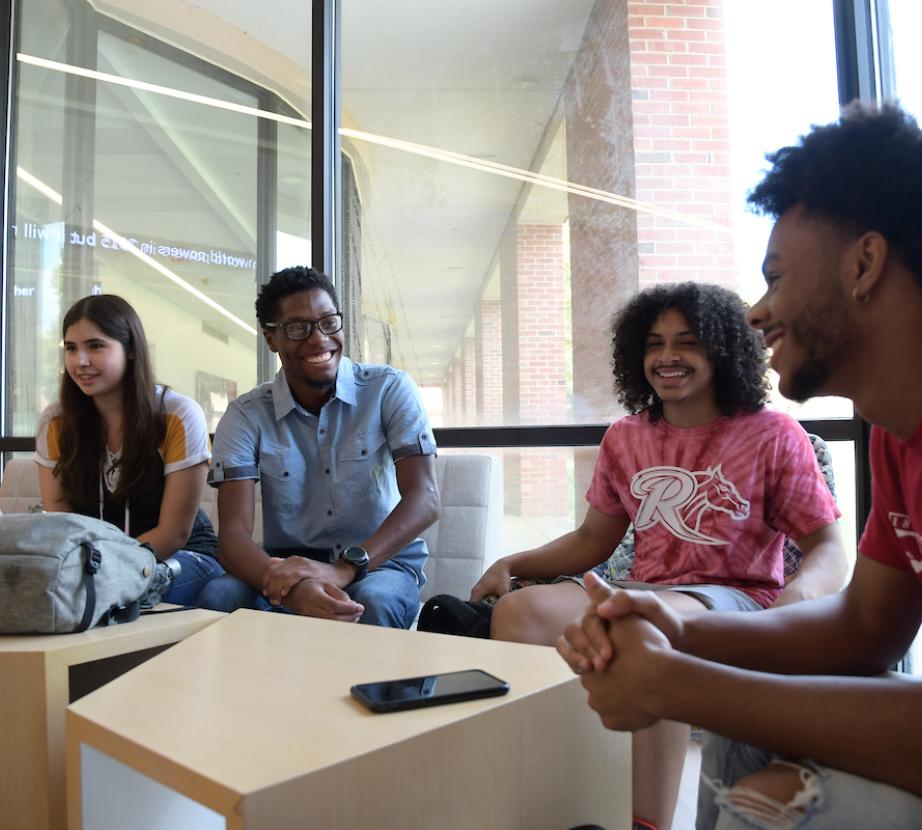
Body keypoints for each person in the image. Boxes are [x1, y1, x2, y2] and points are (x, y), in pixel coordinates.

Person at [558, 102, 922, 830]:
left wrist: (677, 683)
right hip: (705, 606)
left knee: (781, 798)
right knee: (746, 731)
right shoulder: (895, 435)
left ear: (864, 264)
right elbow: (862, 632)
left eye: (777, 277)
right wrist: (677, 628)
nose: (758, 313)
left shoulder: (776, 435)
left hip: (741, 591)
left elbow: (825, 563)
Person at [470, 282, 845, 830]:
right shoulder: (625, 437)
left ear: (722, 350)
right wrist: (513, 564)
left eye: (687, 342)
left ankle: (648, 821)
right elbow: (591, 542)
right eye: (654, 344)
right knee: (518, 614)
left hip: (735, 599)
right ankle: (569, 797)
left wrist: (797, 599)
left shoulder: (773, 434)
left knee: (645, 630)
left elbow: (829, 548)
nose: (668, 357)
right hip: (644, 593)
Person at [197, 266, 440, 629]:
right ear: (271, 339)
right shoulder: (245, 415)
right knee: (219, 596)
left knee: (376, 600)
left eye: (329, 322)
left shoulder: (388, 389)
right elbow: (232, 538)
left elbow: (426, 498)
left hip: (378, 564)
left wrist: (345, 567)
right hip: (290, 567)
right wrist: (293, 587)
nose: (318, 339)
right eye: (298, 328)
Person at [35, 294, 223, 604]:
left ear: (132, 350)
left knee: (123, 595)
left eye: (95, 346)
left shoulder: (177, 415)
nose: (80, 361)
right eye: (71, 348)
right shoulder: (56, 421)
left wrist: (104, 570)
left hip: (179, 555)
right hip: (92, 565)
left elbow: (174, 532)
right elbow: (62, 522)